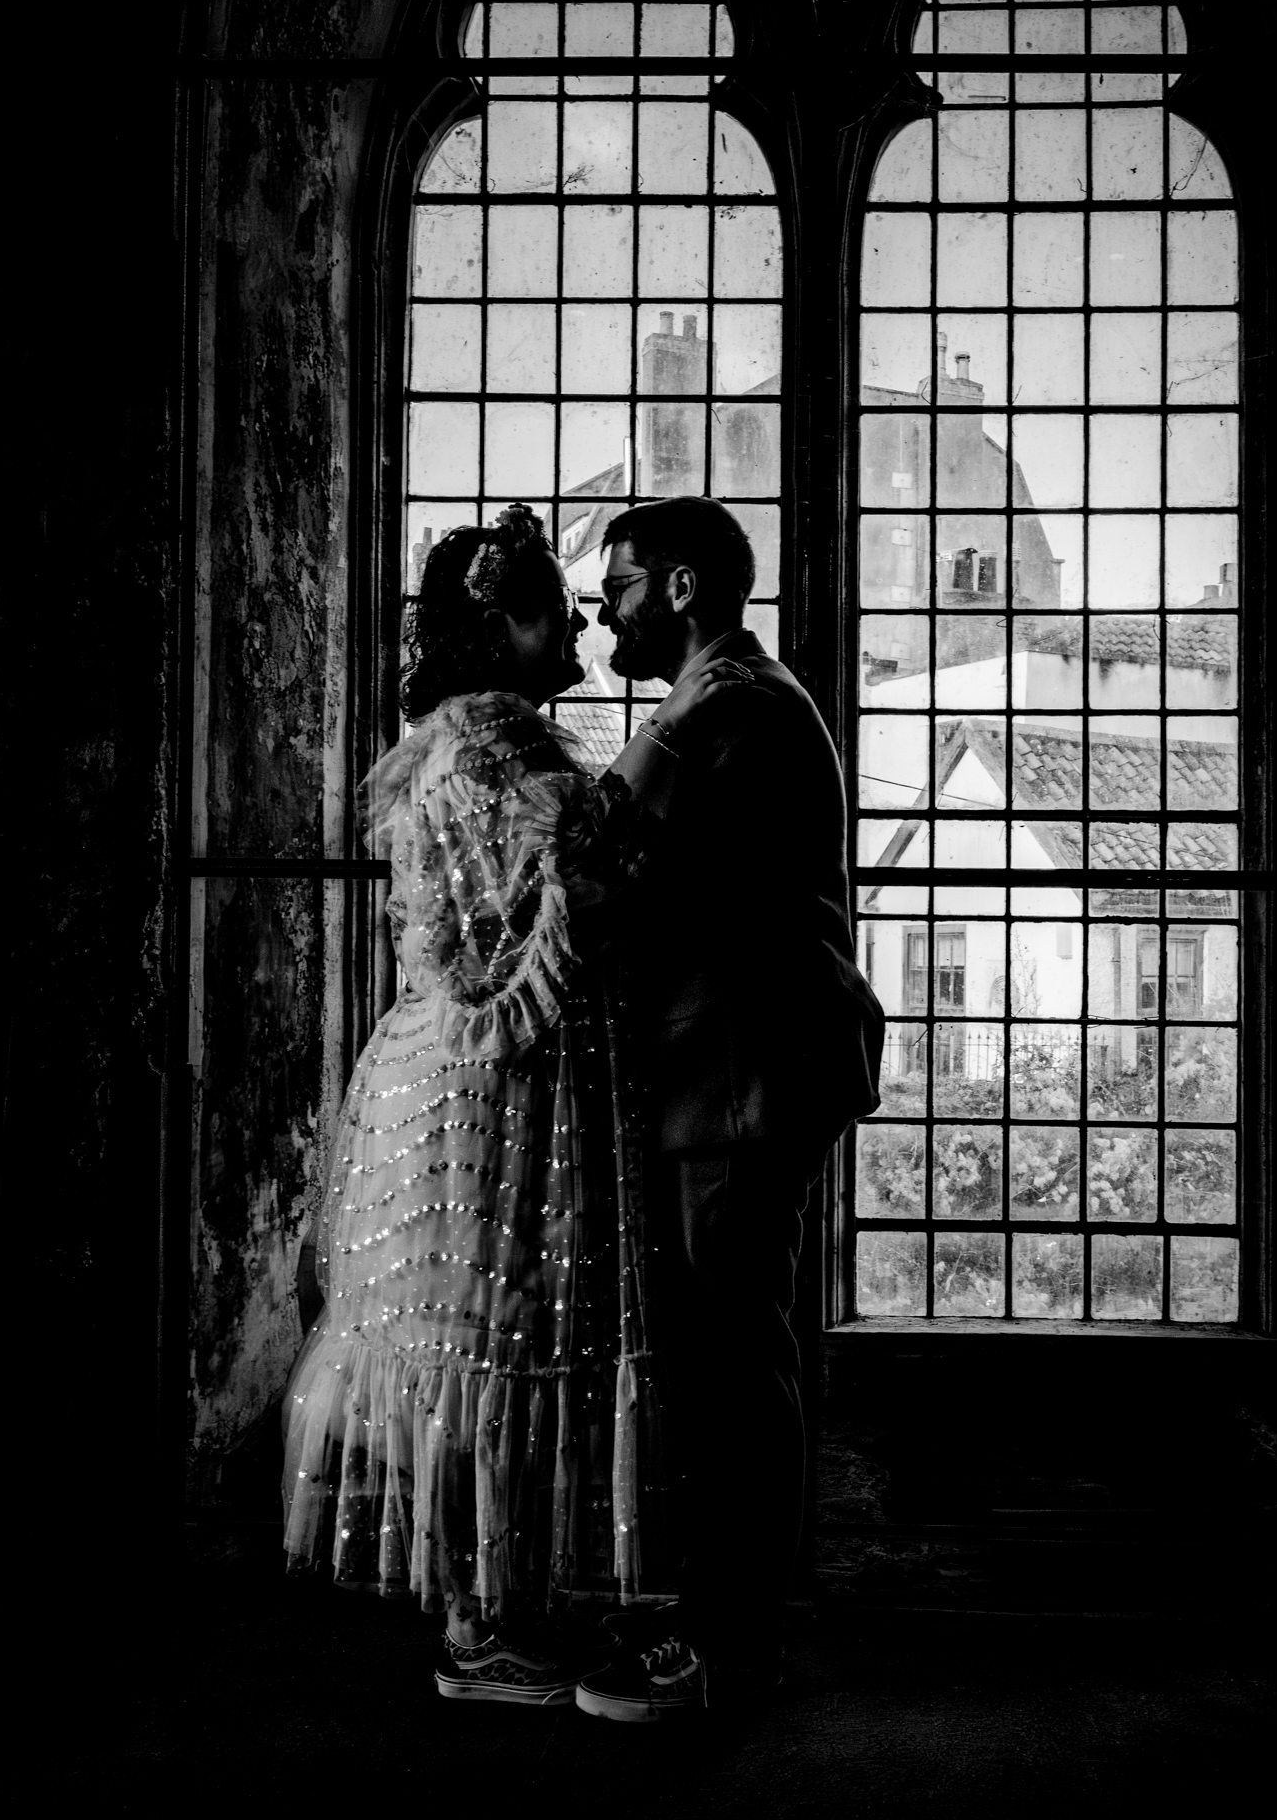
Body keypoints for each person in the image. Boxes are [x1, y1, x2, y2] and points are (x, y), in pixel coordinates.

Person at [281, 503, 752, 1706]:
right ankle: (491, 1621)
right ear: (502, 628)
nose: (580, 625)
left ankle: (493, 1609)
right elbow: (590, 889)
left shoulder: (457, 738)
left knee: (486, 1328)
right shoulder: (506, 747)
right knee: (517, 1323)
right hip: (516, 1082)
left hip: (458, 1068)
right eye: (555, 606)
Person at [572, 497, 885, 1722]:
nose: (608, 612)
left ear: (687, 586)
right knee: (736, 1350)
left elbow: (598, 848)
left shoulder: (723, 708)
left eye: (625, 588)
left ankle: (733, 1649)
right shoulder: (732, 697)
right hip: (739, 1062)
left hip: (740, 1070)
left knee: (736, 1360)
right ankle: (723, 1626)